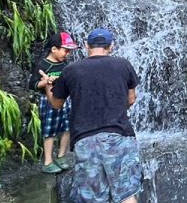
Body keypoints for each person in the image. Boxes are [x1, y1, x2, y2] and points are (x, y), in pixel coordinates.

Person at [48, 28, 142, 203]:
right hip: (119, 136)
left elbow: (56, 104)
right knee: (126, 195)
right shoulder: (123, 64)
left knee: (91, 197)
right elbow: (131, 99)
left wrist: (47, 85)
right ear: (111, 46)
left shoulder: (71, 69)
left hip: (85, 139)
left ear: (86, 46)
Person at [30, 31, 79, 174]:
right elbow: (32, 84)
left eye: (69, 51)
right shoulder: (43, 65)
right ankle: (48, 161)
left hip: (66, 99)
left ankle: (62, 155)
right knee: (49, 130)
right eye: (66, 50)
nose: (68, 54)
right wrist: (43, 82)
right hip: (48, 100)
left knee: (67, 127)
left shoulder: (65, 64)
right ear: (54, 49)